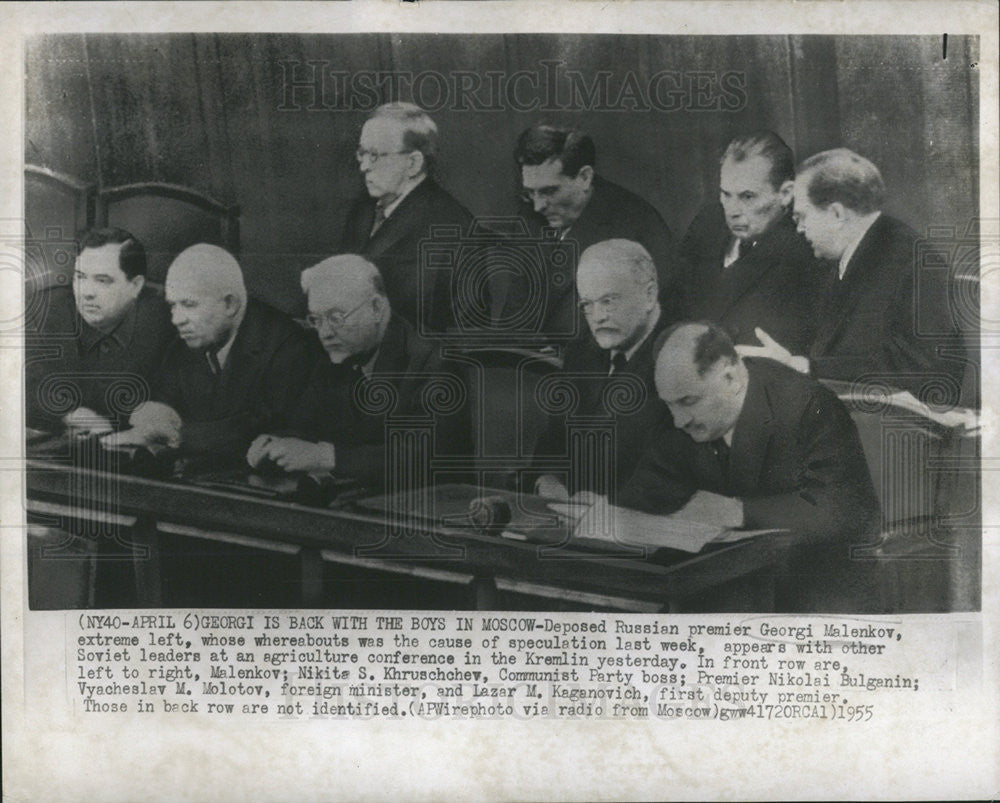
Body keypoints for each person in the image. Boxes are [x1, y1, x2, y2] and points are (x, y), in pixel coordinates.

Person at [610, 321, 881, 610]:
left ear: (729, 378)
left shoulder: (807, 404)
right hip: (721, 590)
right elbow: (649, 486)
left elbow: (847, 509)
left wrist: (738, 511)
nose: (679, 420)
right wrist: (612, 511)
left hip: (813, 592)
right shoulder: (683, 410)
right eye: (670, 405)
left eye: (688, 401)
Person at [737, 148, 964, 399]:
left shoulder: (911, 260)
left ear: (836, 214)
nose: (799, 229)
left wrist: (803, 366)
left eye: (802, 216)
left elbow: (924, 370)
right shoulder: (852, 255)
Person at [246, 254, 469, 490]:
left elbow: (427, 457)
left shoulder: (434, 361)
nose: (325, 333)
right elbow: (305, 423)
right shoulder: (334, 355)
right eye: (316, 320)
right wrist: (274, 444)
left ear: (376, 308)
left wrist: (327, 457)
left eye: (336, 317)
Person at [110, 244, 317, 464]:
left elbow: (257, 428)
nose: (176, 319)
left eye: (189, 304)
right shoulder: (190, 341)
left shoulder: (290, 346)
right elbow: (166, 396)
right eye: (173, 305)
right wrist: (156, 412)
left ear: (230, 304)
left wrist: (176, 435)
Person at [497, 124, 681, 339]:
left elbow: (656, 327)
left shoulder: (638, 225)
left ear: (584, 177)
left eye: (549, 191)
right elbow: (515, 314)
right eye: (530, 193)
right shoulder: (530, 215)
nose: (538, 206)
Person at [529, 240, 668, 501]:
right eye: (587, 305)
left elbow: (680, 475)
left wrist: (609, 504)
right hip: (571, 515)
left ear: (649, 295)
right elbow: (553, 442)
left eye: (608, 301)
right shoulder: (582, 351)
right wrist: (548, 480)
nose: (597, 317)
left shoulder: (681, 353)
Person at [678, 131, 823, 353]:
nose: (733, 211)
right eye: (726, 194)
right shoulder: (707, 223)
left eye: (747, 197)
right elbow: (677, 302)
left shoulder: (807, 249)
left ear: (785, 193)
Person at [339, 102, 473, 333]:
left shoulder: (453, 226)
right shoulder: (363, 210)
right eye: (362, 153)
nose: (363, 166)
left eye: (374, 155)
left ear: (413, 163)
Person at [25, 227, 173, 434]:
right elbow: (15, 386)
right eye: (80, 277)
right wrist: (71, 415)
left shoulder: (165, 323)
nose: (86, 293)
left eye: (102, 280)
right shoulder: (45, 311)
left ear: (136, 286)